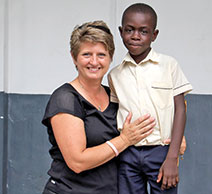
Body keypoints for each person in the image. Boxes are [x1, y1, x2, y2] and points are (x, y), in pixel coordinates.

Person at [41, 20, 156, 194]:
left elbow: (145, 124)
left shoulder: (115, 95)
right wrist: (124, 140)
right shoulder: (66, 98)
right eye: (86, 54)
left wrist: (175, 139)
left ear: (110, 57)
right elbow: (77, 162)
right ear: (74, 57)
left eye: (101, 55)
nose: (94, 62)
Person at [108, 3, 193, 194]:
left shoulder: (169, 65)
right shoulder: (115, 74)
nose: (136, 36)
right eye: (129, 30)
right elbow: (115, 111)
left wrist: (172, 157)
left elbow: (180, 109)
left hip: (161, 152)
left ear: (154, 35)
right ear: (121, 32)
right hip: (128, 152)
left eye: (143, 31)